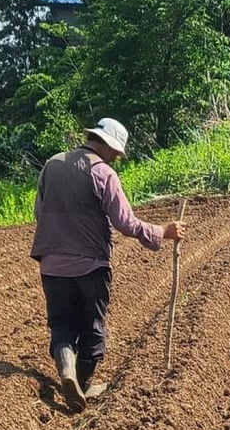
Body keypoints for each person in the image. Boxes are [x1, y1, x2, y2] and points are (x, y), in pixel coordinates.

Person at [30, 117, 186, 413]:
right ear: (106, 145)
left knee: (61, 322)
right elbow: (125, 222)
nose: (116, 157)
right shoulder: (102, 172)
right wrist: (162, 232)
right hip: (90, 265)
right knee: (92, 327)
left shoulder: (52, 164)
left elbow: (40, 211)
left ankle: (66, 370)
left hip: (51, 264)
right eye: (116, 151)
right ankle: (82, 383)